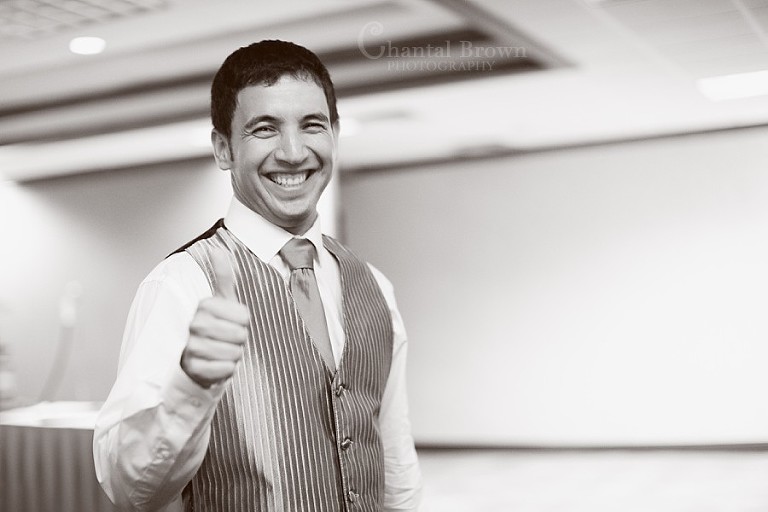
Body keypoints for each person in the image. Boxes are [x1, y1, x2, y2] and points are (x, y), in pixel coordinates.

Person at [93, 40, 422, 512]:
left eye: (312, 125)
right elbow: (129, 490)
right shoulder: (183, 284)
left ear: (334, 133)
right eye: (265, 129)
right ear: (224, 148)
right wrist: (191, 386)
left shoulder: (374, 285)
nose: (293, 152)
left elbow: (394, 454)